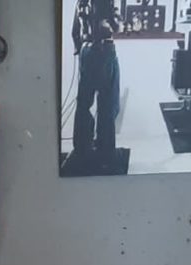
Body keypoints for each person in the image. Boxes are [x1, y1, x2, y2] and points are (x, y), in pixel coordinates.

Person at [68, 0, 121, 172]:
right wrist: (117, 20)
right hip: (103, 50)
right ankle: (106, 152)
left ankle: (82, 148)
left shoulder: (80, 2)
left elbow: (74, 31)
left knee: (84, 104)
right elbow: (114, 26)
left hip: (86, 51)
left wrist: (80, 49)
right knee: (107, 104)